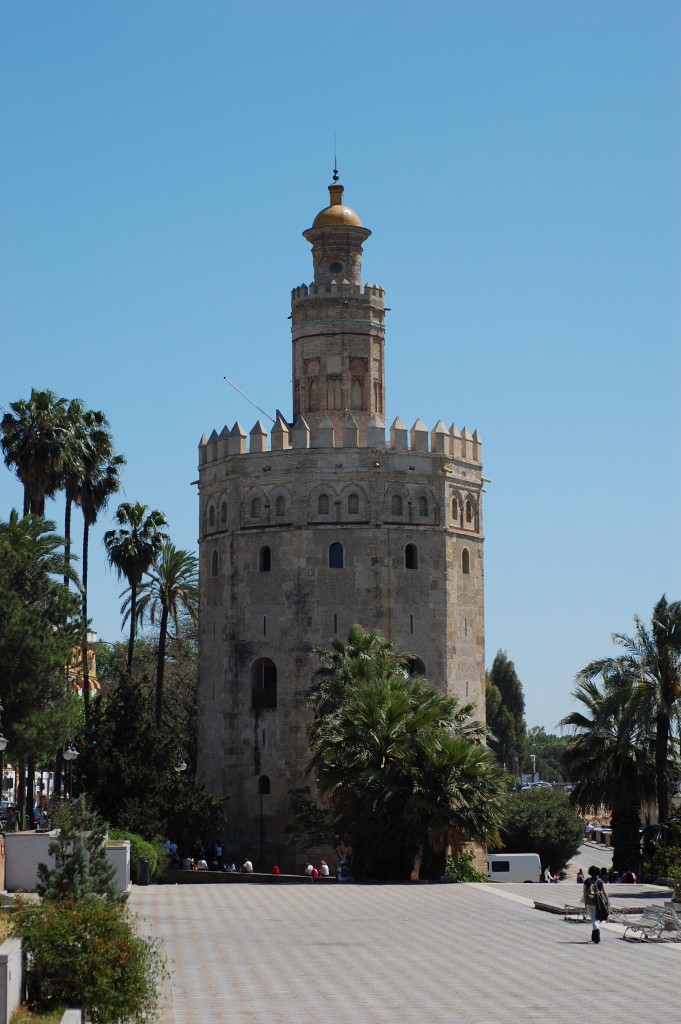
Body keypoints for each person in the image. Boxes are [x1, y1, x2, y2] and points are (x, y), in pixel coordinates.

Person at [583, 864, 608, 944]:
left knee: (594, 919)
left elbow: (584, 893)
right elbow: (605, 893)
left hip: (590, 902)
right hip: (599, 903)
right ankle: (594, 935)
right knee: (596, 918)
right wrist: (607, 902)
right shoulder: (600, 881)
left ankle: (596, 934)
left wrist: (585, 903)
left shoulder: (587, 881)